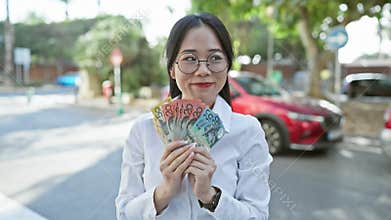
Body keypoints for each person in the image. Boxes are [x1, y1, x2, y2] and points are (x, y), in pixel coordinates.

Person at [115, 12, 273, 220]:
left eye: (215, 58)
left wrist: (210, 196)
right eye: (190, 59)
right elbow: (124, 213)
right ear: (172, 69)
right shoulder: (143, 130)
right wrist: (164, 191)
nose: (203, 70)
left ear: (227, 66)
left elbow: (258, 216)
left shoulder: (247, 131)